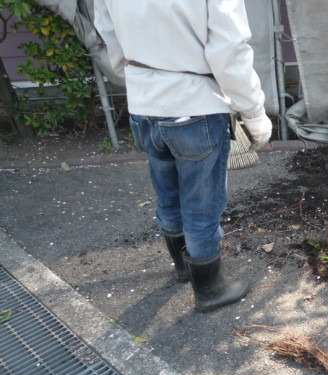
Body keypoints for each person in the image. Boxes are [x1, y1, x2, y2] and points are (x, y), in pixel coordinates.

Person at [94, 0, 272, 312]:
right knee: (201, 204)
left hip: (143, 106)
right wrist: (254, 112)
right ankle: (210, 290)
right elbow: (230, 51)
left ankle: (183, 268)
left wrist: (141, 78)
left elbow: (109, 34)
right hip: (195, 105)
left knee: (168, 193)